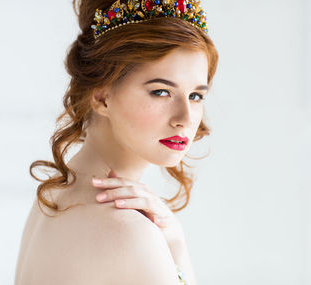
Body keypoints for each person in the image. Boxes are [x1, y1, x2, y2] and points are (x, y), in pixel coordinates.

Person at [14, 0, 218, 284]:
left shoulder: (54, 197)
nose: (185, 117)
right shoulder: (128, 230)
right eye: (161, 92)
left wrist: (174, 240)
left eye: (196, 96)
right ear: (101, 97)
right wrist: (175, 250)